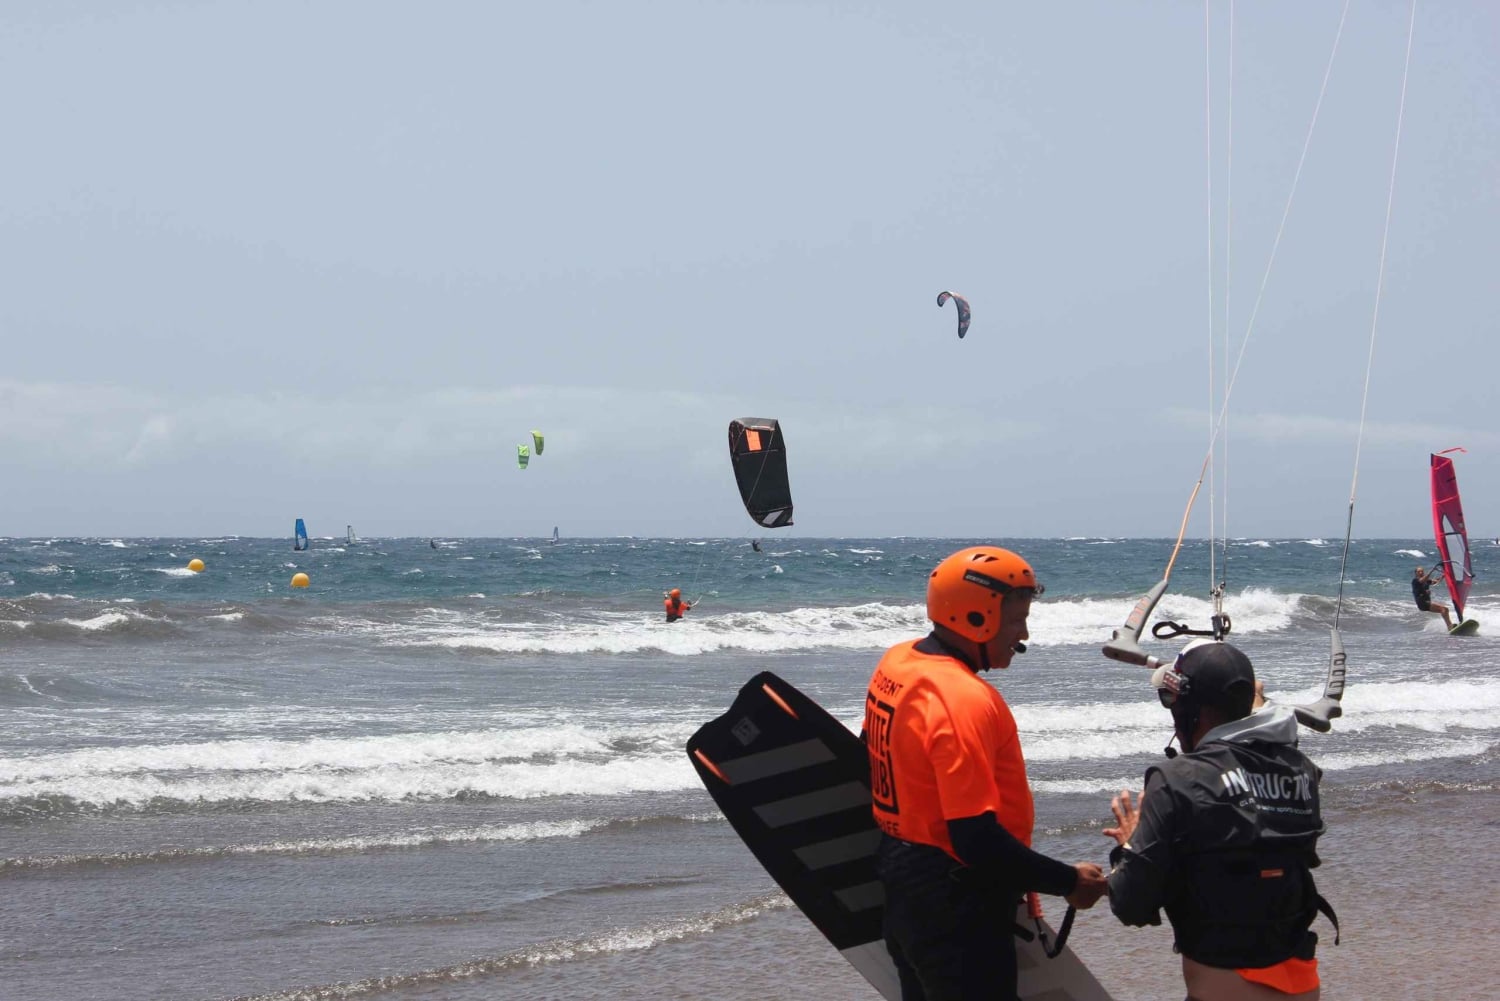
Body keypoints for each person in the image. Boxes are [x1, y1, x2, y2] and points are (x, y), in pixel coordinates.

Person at [863, 546, 1108, 1001]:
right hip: (956, 904)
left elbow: (875, 756)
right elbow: (974, 839)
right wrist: (1068, 883)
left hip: (901, 882)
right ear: (975, 618)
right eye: (1016, 620)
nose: (1023, 634)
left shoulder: (897, 663)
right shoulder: (962, 700)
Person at [1103, 639, 1337, 1001]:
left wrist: (1130, 846)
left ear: (1189, 708)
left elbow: (1131, 904)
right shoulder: (1302, 771)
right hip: (1304, 986)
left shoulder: (1177, 780)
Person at [1411, 565, 1454, 630]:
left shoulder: (1426, 581)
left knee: (1445, 610)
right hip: (1422, 603)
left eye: (1422, 571)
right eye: (1419, 571)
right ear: (1416, 573)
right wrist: (1432, 570)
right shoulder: (1415, 581)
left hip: (1426, 603)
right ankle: (1450, 626)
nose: (1421, 572)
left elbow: (1436, 582)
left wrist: (1443, 576)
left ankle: (1450, 626)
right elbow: (1422, 580)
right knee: (1444, 609)